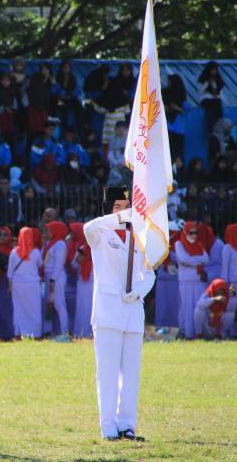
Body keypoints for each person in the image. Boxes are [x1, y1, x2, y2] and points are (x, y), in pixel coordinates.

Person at [83, 186, 155, 441]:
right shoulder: (101, 233)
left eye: (126, 207)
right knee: (108, 372)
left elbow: (150, 272)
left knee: (131, 373)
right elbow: (87, 228)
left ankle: (127, 425)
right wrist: (123, 217)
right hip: (107, 310)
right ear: (108, 210)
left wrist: (139, 290)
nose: (123, 213)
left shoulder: (140, 235)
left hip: (133, 311)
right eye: (117, 207)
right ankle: (108, 426)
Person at [175, 222, 209, 339]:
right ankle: (187, 332)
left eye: (196, 232)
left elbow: (206, 258)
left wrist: (191, 261)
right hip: (186, 281)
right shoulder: (179, 244)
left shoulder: (199, 245)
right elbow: (183, 258)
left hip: (198, 280)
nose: (194, 235)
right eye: (191, 232)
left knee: (198, 306)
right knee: (186, 307)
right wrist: (197, 261)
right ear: (185, 232)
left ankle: (198, 332)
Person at [8, 227, 43, 338]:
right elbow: (40, 265)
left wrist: (10, 287)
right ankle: (35, 334)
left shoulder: (14, 252)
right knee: (34, 309)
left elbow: (10, 273)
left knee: (18, 310)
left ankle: (18, 333)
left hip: (17, 285)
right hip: (33, 285)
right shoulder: (36, 252)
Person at [69, 222, 94, 339]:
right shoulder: (82, 248)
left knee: (91, 308)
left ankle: (90, 333)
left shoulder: (97, 248)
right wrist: (81, 261)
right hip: (83, 282)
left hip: (93, 283)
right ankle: (81, 332)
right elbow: (73, 264)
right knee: (82, 308)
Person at [198, 61, 225, 130]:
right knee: (210, 111)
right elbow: (200, 91)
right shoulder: (203, 78)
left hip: (216, 100)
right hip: (206, 99)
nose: (214, 71)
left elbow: (219, 91)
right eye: (212, 70)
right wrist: (207, 82)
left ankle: (219, 125)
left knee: (217, 104)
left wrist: (214, 86)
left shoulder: (218, 79)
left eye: (215, 70)